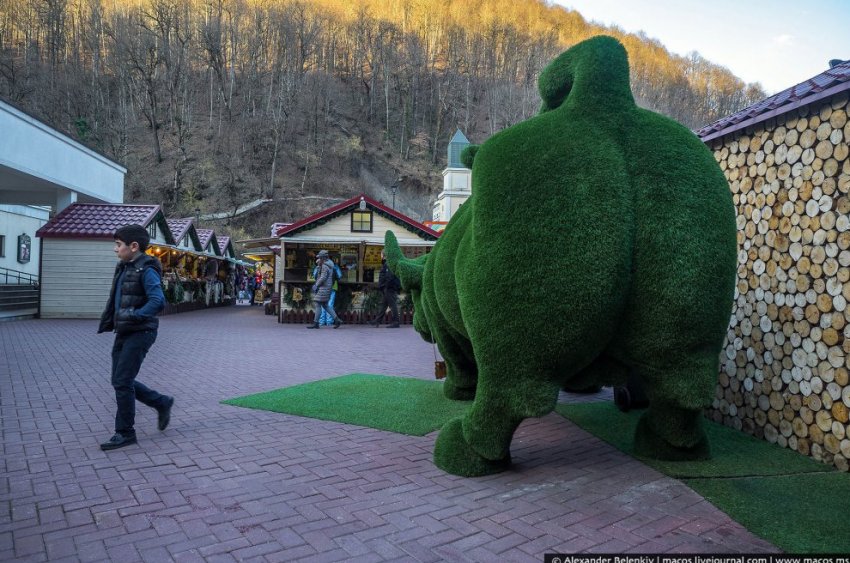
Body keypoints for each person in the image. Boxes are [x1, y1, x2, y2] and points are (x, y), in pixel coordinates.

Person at [97, 224, 173, 451]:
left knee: (122, 381)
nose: (115, 249)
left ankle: (125, 432)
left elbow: (157, 300)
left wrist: (135, 315)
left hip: (141, 332)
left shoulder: (146, 269)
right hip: (125, 330)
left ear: (133, 246)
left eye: (118, 244)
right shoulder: (125, 266)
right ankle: (161, 402)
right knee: (119, 380)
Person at [307, 249, 342, 329]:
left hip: (323, 288)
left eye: (320, 257)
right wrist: (319, 266)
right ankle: (337, 320)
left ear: (323, 258)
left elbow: (323, 277)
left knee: (318, 304)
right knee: (325, 305)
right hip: (328, 287)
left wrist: (316, 285)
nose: (318, 259)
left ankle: (316, 323)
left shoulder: (324, 266)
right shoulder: (329, 265)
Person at [371, 250, 401, 328]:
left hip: (389, 288)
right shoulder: (387, 263)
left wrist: (385, 286)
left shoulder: (388, 264)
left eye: (381, 254)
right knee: (383, 305)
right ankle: (377, 321)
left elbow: (389, 277)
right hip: (387, 288)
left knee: (392, 305)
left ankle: (396, 322)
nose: (380, 256)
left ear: (384, 255)